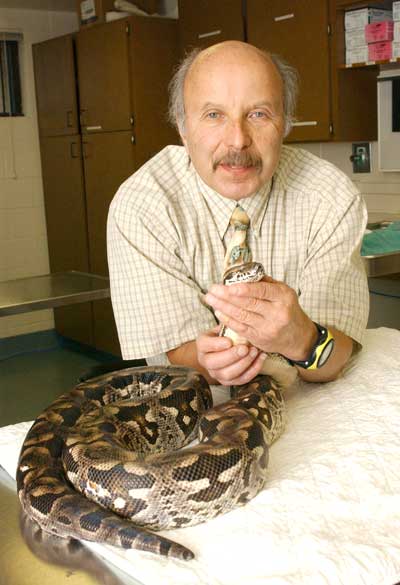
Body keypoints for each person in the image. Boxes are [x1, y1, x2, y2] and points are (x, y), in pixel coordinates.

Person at [107, 40, 369, 387]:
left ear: (285, 124)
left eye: (258, 114)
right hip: (196, 403)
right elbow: (173, 351)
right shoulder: (143, 205)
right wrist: (207, 361)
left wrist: (302, 338)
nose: (237, 140)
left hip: (311, 402)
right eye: (214, 115)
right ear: (183, 128)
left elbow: (335, 359)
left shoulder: (331, 197)